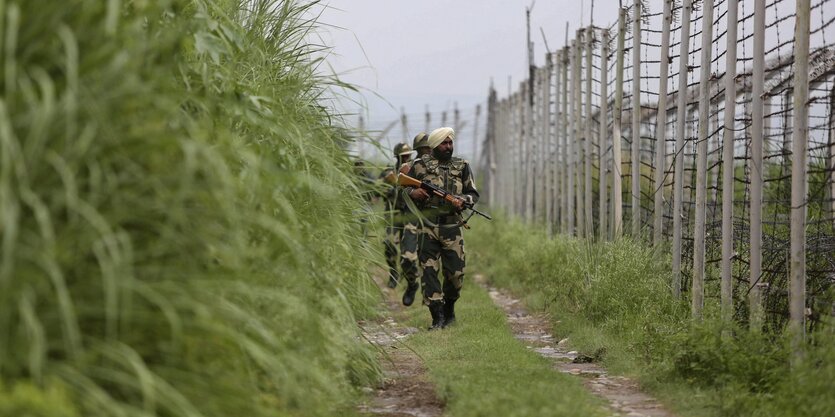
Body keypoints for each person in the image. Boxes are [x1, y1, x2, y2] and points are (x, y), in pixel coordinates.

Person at [404, 127, 479, 330]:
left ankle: (449, 308)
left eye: (450, 143)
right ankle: (436, 318)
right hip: (427, 227)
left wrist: (462, 200)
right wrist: (414, 193)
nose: (448, 146)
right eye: (444, 143)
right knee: (429, 273)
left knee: (455, 275)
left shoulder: (462, 166)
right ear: (435, 145)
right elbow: (404, 189)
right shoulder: (419, 166)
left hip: (452, 227)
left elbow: (473, 193)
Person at [400, 132, 431, 306]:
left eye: (429, 148)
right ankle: (412, 284)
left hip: (432, 221)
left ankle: (431, 301)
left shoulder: (440, 168)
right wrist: (413, 192)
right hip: (412, 218)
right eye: (424, 148)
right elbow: (399, 190)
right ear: (418, 150)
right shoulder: (408, 168)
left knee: (429, 263)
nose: (428, 151)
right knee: (408, 258)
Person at [380, 142, 413, 288]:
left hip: (409, 215)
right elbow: (378, 189)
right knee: (389, 244)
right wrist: (390, 187)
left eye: (408, 155)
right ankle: (394, 274)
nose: (406, 158)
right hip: (393, 215)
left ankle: (411, 280)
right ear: (397, 157)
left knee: (410, 249)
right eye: (403, 156)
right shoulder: (388, 171)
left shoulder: (414, 170)